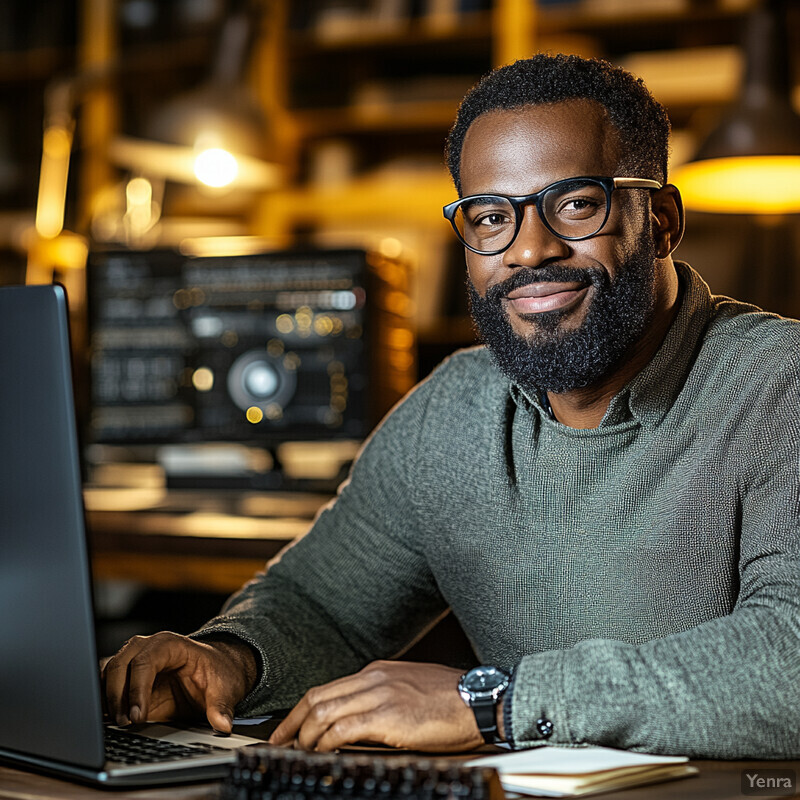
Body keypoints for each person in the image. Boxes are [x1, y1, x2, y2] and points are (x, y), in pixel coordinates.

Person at [102, 54, 800, 758]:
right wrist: (227, 660)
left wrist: (498, 703)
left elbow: (791, 657)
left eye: (577, 204)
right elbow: (322, 607)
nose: (529, 249)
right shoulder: (454, 410)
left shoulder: (780, 385)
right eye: (492, 217)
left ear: (663, 222)